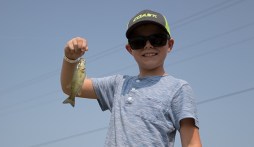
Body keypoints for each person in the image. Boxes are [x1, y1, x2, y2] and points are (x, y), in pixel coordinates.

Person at [61, 9, 202, 147]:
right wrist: (70, 58)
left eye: (156, 39)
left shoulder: (178, 89)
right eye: (138, 41)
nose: (148, 45)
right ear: (129, 49)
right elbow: (70, 87)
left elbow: (192, 143)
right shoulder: (118, 85)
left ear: (169, 45)